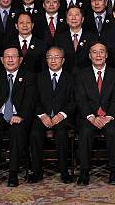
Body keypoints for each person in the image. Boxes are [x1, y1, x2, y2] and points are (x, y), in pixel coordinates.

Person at [0, 46, 36, 187]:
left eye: (14, 56)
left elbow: (30, 100)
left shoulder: (29, 76)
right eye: (7, 56)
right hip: (0, 115)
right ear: (2, 60)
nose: (11, 59)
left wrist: (21, 115)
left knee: (17, 131)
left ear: (20, 59)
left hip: (19, 117)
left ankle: (13, 173)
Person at [75, 42, 115, 186]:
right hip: (88, 116)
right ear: (89, 56)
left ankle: (114, 172)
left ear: (106, 55)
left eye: (101, 52)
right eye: (94, 52)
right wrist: (91, 117)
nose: (98, 55)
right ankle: (84, 172)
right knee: (85, 132)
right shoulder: (81, 74)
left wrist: (108, 116)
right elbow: (80, 99)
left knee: (112, 131)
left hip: (109, 116)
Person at [29, 47, 75, 184]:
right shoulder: (38, 77)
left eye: (57, 57)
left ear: (63, 60)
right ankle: (36, 171)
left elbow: (74, 101)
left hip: (63, 118)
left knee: (62, 134)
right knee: (35, 134)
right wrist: (43, 115)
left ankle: (64, 171)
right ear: (46, 59)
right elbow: (33, 99)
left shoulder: (71, 78)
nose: (53, 60)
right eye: (50, 57)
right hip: (42, 116)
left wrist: (61, 115)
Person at [55, 6, 97, 73]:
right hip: (66, 75)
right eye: (70, 15)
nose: (73, 18)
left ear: (82, 19)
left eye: (77, 15)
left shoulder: (92, 37)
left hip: (87, 75)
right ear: (66, 19)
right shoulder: (59, 37)